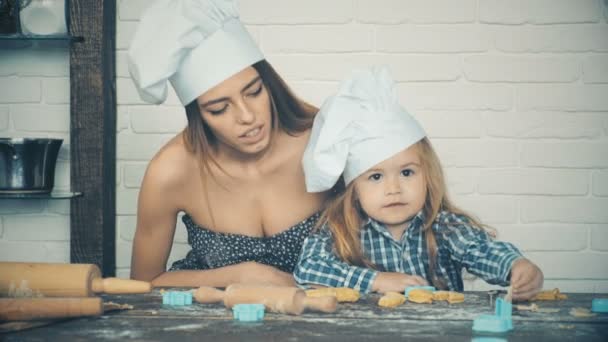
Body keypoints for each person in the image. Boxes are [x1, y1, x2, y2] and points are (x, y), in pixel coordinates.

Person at [294, 66, 544, 301]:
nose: (394, 188)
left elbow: (481, 250)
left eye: (406, 173)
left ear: (428, 175)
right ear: (355, 191)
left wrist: (515, 266)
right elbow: (308, 269)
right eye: (376, 177)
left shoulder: (445, 227)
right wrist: (376, 280)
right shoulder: (341, 230)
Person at [127, 0, 328, 287]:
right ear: (198, 114)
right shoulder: (169, 171)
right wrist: (243, 274)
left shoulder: (321, 137)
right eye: (219, 109)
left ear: (268, 83)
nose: (248, 117)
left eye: (254, 91)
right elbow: (143, 283)